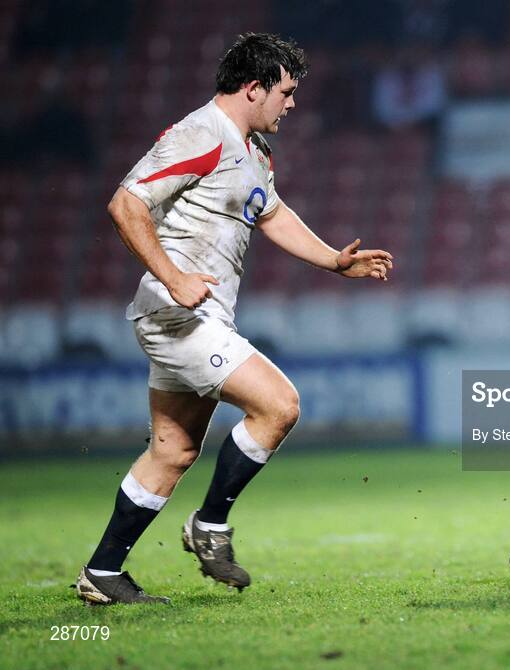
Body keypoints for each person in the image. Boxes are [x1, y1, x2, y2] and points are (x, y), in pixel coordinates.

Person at [74, 33, 393, 605]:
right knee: (279, 405)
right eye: (286, 92)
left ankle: (102, 572)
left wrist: (333, 261)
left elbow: (269, 212)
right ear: (254, 87)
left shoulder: (253, 151)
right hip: (179, 315)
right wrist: (174, 278)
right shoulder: (202, 135)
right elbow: (126, 204)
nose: (291, 105)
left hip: (195, 314)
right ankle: (211, 526)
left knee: (172, 452)